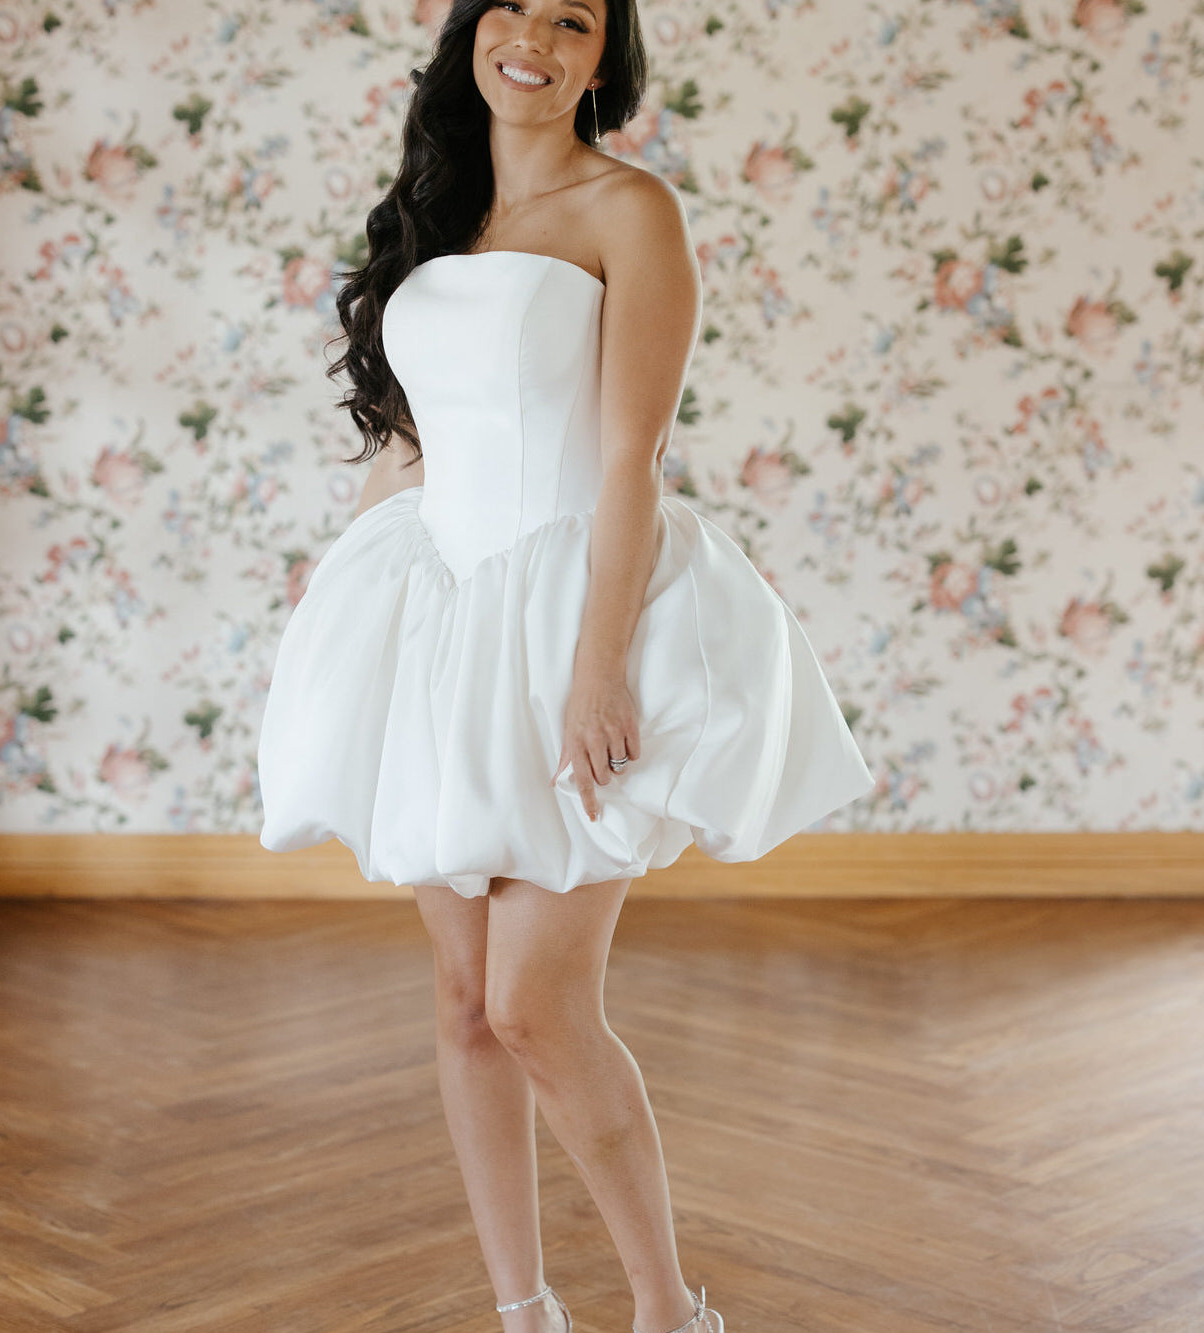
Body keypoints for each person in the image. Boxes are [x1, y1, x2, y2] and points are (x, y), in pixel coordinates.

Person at [255, 1, 877, 1329]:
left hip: (567, 608)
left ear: (603, 57)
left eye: (574, 18)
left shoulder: (628, 211)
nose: (534, 35)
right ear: (471, 33)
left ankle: (666, 1310)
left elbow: (625, 459)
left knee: (539, 1005)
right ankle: (524, 1310)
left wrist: (597, 670)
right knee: (466, 1006)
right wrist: (338, 601)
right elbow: (416, 445)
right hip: (434, 625)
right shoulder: (435, 211)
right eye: (514, 8)